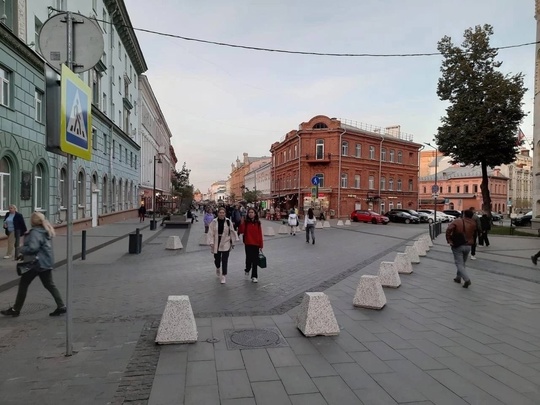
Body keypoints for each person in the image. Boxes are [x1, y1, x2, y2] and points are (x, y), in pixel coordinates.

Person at [1, 212, 66, 317]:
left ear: (33, 221)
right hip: (45, 263)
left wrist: (21, 250)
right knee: (50, 285)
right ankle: (61, 306)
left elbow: (33, 248)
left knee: (23, 285)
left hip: (35, 264)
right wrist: (24, 256)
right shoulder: (45, 231)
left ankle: (15, 309)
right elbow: (40, 248)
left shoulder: (35, 232)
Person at [446, 209, 478, 288]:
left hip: (458, 244)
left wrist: (449, 239)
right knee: (462, 263)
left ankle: (467, 279)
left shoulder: (457, 221)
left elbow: (449, 229)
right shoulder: (473, 223)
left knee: (459, 263)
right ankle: (458, 278)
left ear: (464, 214)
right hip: (468, 245)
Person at [207, 207, 237, 284]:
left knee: (225, 259)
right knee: (217, 259)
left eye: (223, 213)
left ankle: (223, 275)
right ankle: (217, 267)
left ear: (225, 213)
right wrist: (211, 242)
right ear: (218, 213)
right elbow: (210, 232)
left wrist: (233, 243)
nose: (222, 214)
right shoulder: (214, 222)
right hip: (216, 241)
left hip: (225, 241)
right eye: (220, 212)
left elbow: (232, 231)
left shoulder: (228, 221)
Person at [238, 207, 264, 283]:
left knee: (255, 261)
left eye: (252, 212)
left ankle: (254, 276)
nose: (250, 214)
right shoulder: (246, 222)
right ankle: (247, 269)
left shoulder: (258, 223)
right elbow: (241, 231)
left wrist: (261, 245)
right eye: (249, 212)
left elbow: (260, 234)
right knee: (249, 259)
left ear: (255, 214)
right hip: (248, 243)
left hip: (256, 244)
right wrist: (242, 223)